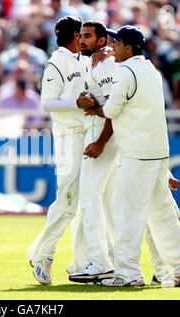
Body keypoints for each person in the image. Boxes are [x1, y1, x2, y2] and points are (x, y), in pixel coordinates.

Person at [85, 25, 180, 287]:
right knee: (162, 215)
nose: (112, 47)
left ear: (128, 47)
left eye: (116, 43)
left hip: (136, 155)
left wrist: (94, 105)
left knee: (127, 215)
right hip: (158, 153)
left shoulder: (125, 71)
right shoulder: (151, 70)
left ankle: (128, 274)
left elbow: (112, 110)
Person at [26, 16, 95, 285]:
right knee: (67, 199)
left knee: (83, 202)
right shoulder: (56, 62)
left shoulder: (84, 59)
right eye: (83, 34)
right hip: (67, 136)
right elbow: (47, 103)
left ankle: (79, 260)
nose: (85, 38)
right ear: (76, 36)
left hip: (86, 133)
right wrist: (76, 104)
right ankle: (44, 255)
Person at [66, 20, 118, 284]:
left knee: (88, 198)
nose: (82, 40)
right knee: (106, 203)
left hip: (101, 135)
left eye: (87, 36)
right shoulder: (92, 61)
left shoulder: (106, 61)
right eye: (80, 36)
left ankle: (99, 263)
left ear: (102, 41)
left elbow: (114, 106)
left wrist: (101, 142)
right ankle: (112, 261)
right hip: (98, 132)